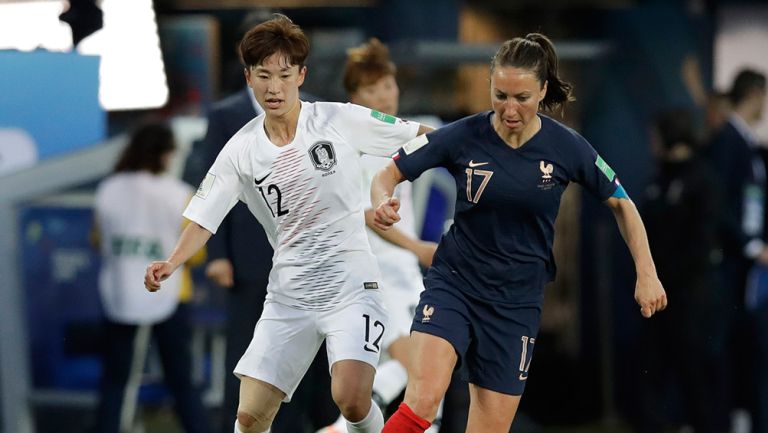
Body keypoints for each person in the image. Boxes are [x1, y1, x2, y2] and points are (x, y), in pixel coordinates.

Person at [144, 14, 431, 433]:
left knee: (350, 400)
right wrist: (171, 262)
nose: (273, 87)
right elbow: (205, 216)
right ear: (248, 77)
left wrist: (483, 143)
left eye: (283, 74)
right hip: (288, 296)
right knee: (249, 415)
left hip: (350, 287)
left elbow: (420, 135)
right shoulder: (240, 149)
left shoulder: (337, 119)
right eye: (263, 75)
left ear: (301, 75)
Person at [370, 33, 668, 433]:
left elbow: (622, 203)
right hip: (454, 285)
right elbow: (389, 171)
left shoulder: (567, 148)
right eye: (500, 95)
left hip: (516, 304)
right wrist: (382, 200)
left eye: (522, 98)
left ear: (543, 90)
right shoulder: (464, 135)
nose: (509, 109)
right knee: (423, 400)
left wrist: (646, 272)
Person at [183, 15, 332, 432]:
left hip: (309, 259)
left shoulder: (317, 110)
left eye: (284, 67)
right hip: (248, 259)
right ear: (248, 66)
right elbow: (212, 187)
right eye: (264, 65)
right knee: (248, 358)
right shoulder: (226, 116)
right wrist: (217, 255)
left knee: (308, 361)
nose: (274, 79)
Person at [318, 38, 441, 433]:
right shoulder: (357, 148)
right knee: (422, 372)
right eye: (372, 90)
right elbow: (368, 216)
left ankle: (342, 427)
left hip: (401, 272)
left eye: (387, 85)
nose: (384, 96)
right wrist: (418, 247)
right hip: (375, 273)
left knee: (415, 377)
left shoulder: (407, 138)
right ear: (355, 98)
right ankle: (341, 428)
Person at [93, 122, 214, 433]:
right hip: (171, 294)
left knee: (115, 381)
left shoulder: (109, 190)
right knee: (181, 380)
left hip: (119, 292)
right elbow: (195, 251)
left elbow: (97, 240)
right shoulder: (179, 194)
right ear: (165, 154)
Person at [635, 108, 728, 433]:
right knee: (651, 375)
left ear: (669, 135)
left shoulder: (703, 179)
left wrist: (668, 279)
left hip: (691, 299)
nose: (651, 143)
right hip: (655, 299)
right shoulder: (658, 178)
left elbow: (703, 242)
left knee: (696, 377)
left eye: (655, 136)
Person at [709, 68, 767, 433]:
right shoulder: (727, 142)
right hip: (731, 267)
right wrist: (749, 245)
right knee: (728, 347)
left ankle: (745, 416)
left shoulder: (748, 144)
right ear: (754, 95)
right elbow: (720, 205)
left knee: (750, 347)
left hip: (749, 267)